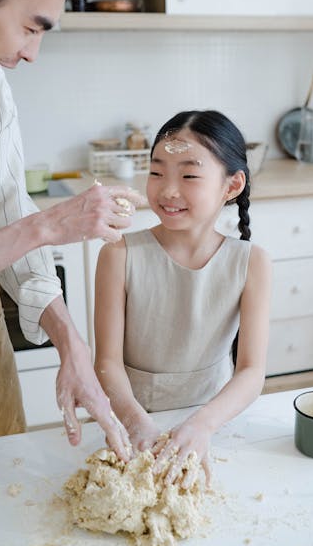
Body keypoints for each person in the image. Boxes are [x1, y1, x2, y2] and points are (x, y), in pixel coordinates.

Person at [0, 0, 143, 459]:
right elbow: (24, 227)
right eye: (28, 27)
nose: (32, 53)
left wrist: (71, 344)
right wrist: (47, 225)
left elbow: (3, 211)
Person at [94, 110, 272, 483]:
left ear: (232, 186)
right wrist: (136, 422)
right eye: (157, 172)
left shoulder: (251, 262)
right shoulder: (119, 254)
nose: (168, 190)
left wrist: (203, 425)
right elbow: (106, 362)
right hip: (131, 420)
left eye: (189, 175)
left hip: (213, 421)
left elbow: (252, 371)